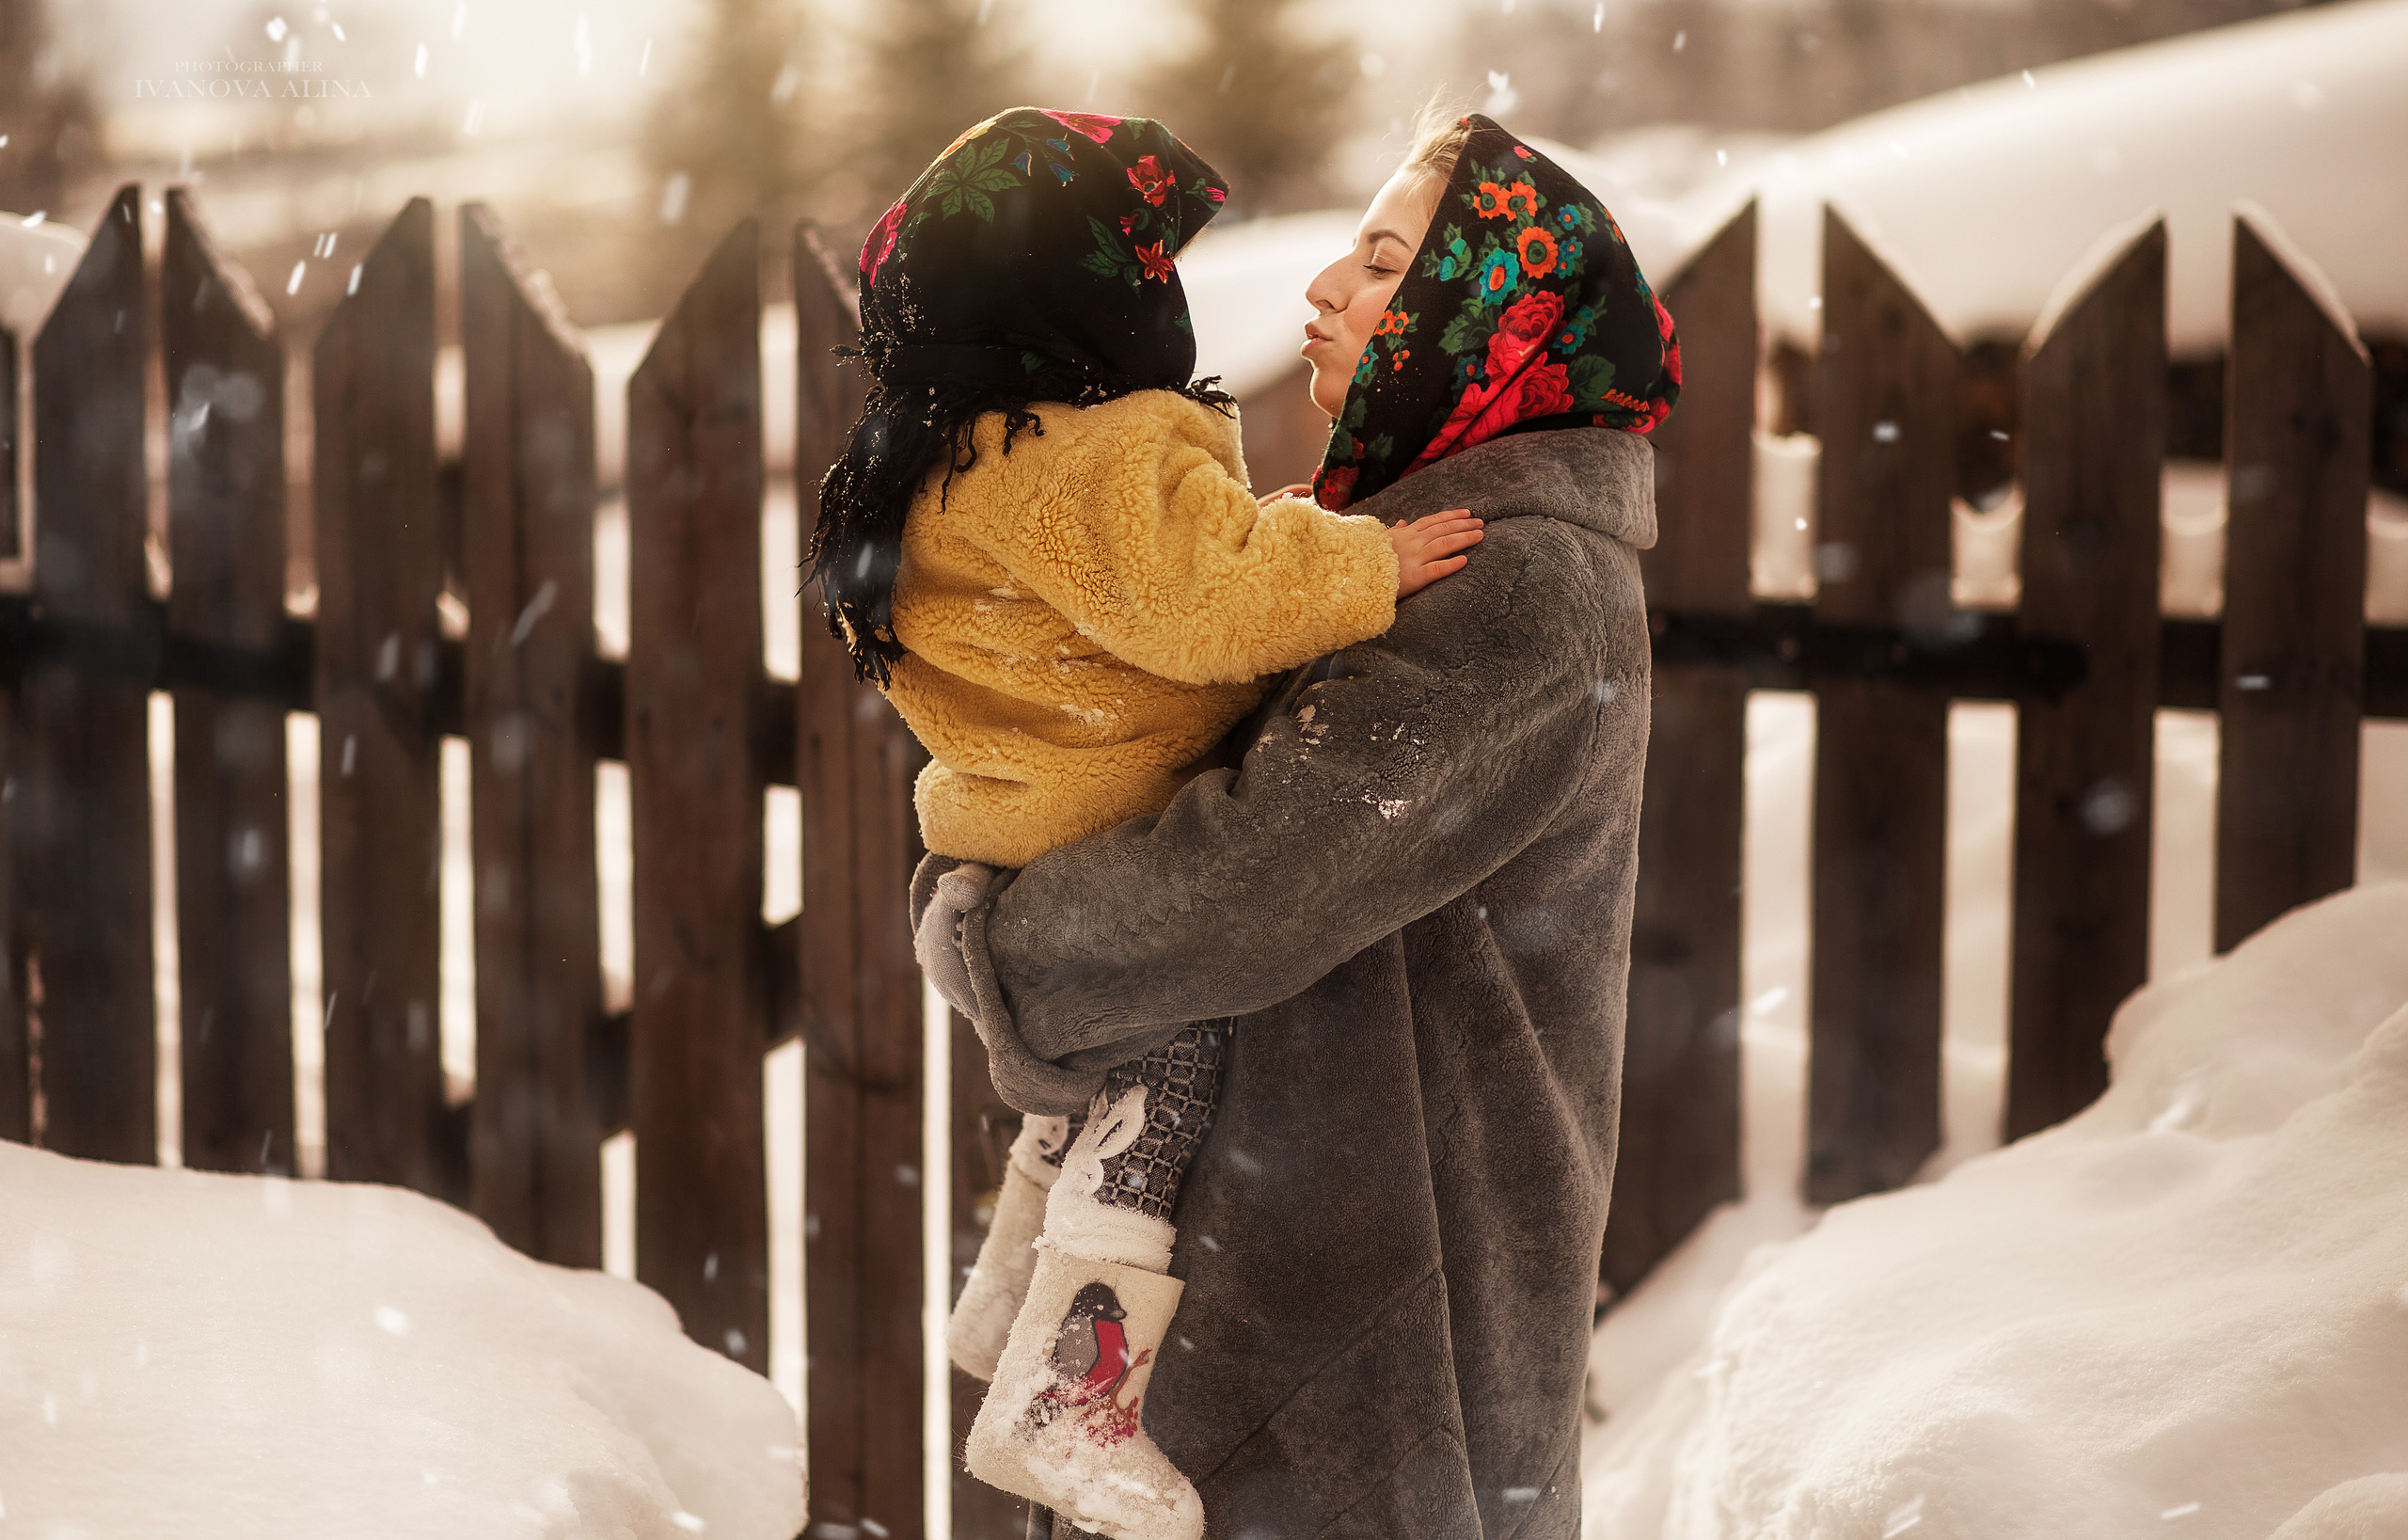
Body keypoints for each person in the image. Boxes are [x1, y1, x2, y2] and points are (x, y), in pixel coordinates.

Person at [917, 104, 1679, 1540]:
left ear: (1488, 318)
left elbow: (1244, 888)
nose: (1325, 289)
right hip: (1313, 1330)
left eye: (1386, 261)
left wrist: (995, 940)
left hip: (1367, 1378)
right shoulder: (1399, 547)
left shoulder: (1515, 592)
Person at [810, 107, 1486, 1540]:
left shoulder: (944, 458)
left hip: (1022, 820)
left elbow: (1155, 583)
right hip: (1128, 814)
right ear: (1092, 296)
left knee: (1091, 1098)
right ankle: (1071, 1392)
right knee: (1163, 1097)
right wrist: (1365, 561)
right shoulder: (1092, 452)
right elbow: (1206, 604)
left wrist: (1271, 536)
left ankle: (1007, 1296)